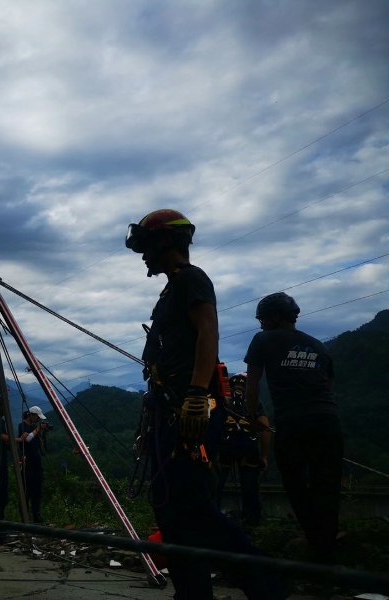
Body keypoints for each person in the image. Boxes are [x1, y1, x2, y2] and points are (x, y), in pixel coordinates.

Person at [126, 208, 285, 600]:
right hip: (169, 412)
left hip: (189, 413)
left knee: (191, 506)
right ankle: (193, 593)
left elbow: (208, 333)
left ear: (165, 242)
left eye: (147, 247)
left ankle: (267, 584)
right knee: (170, 508)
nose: (144, 256)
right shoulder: (170, 291)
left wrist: (198, 394)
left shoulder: (191, 279)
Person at [244, 292, 343, 564]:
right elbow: (327, 387)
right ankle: (326, 554)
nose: (262, 324)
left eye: (263, 319)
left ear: (275, 317)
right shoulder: (318, 346)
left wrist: (253, 416)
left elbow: (252, 384)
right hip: (328, 422)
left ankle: (315, 545)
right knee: (327, 487)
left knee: (296, 485)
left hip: (293, 423)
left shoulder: (263, 339)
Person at [216, 372, 271, 527]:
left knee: (216, 485)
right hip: (249, 449)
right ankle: (252, 523)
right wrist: (264, 456)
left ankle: (211, 519)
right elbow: (266, 429)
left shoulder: (223, 402)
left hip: (225, 448)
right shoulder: (255, 403)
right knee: (250, 487)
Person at [17, 406, 48, 523]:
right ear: (31, 415)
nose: (38, 419)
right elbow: (27, 439)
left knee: (37, 491)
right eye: (37, 417)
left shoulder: (34, 427)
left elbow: (42, 446)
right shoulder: (22, 426)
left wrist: (42, 431)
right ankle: (25, 518)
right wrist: (38, 429)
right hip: (27, 464)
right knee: (27, 491)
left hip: (36, 463)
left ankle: (37, 515)